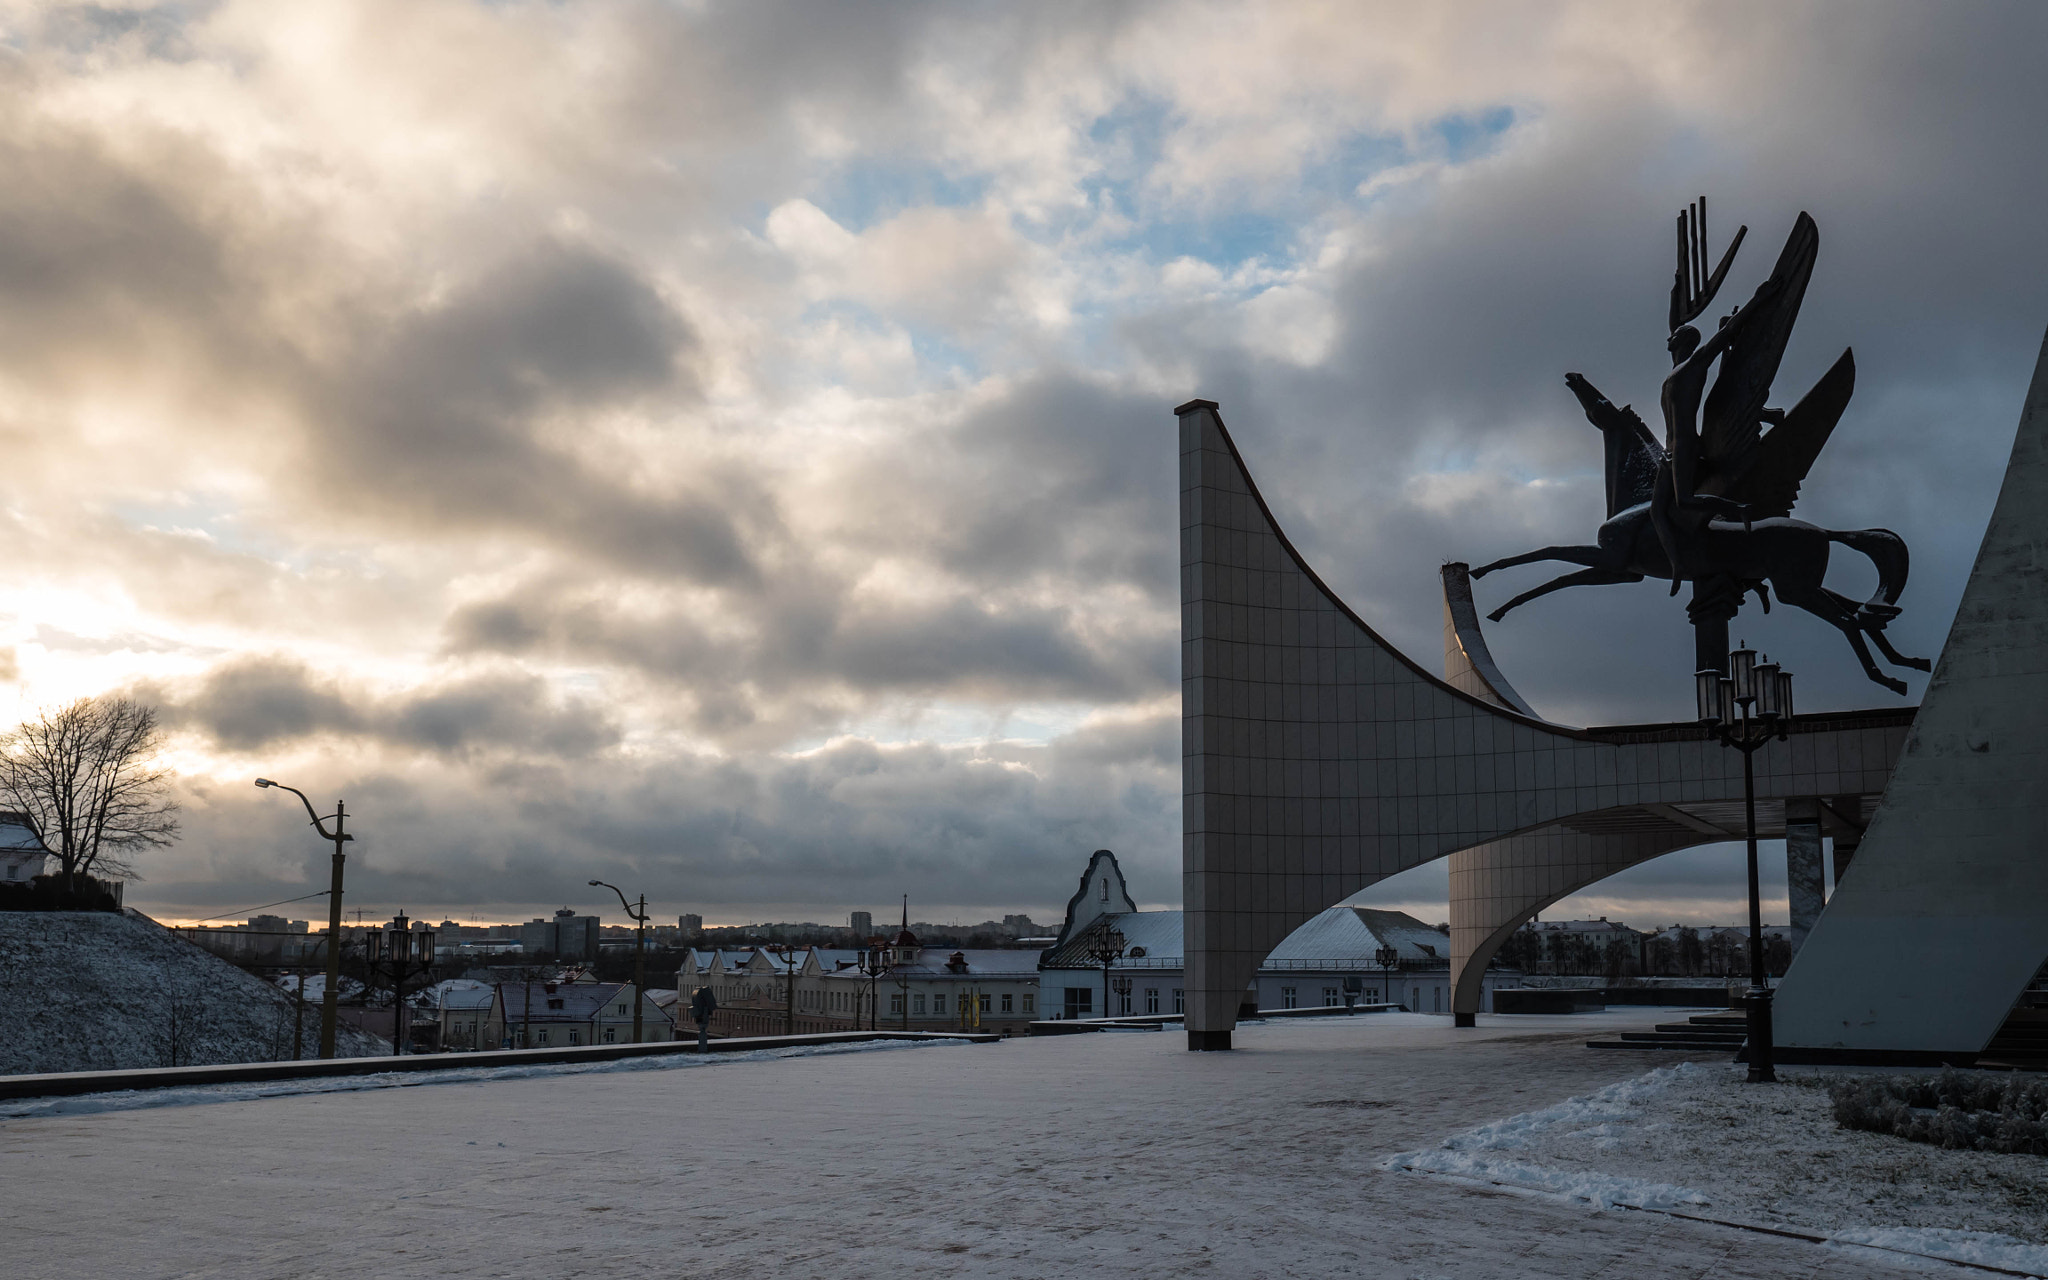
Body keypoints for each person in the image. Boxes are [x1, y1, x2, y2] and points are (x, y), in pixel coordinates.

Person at [689, 985, 718, 1052]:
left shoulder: (698, 992)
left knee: (702, 1031)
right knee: (702, 1032)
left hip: (701, 1014)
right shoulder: (700, 992)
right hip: (702, 1015)